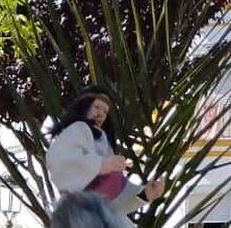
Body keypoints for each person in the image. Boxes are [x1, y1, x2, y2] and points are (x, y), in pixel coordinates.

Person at [45, 85, 164, 213]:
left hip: (100, 214)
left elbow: (118, 201)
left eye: (105, 112)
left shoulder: (103, 140)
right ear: (84, 106)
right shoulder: (77, 129)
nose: (101, 114)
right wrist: (101, 165)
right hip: (79, 212)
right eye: (97, 107)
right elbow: (60, 159)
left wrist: (146, 194)